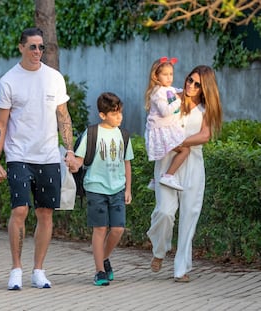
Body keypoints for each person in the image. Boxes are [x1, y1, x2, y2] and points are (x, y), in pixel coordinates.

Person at [0, 27, 77, 290]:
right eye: (33, 47)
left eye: (42, 47)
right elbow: (1, 124)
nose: (38, 52)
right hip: (19, 155)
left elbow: (63, 116)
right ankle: (16, 268)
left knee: (45, 212)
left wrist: (70, 150)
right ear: (21, 47)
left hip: (49, 155)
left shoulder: (54, 78)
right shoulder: (8, 81)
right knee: (20, 210)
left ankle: (38, 270)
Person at [147, 65, 223, 282]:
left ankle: (181, 269)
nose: (190, 85)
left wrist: (178, 142)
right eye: (190, 80)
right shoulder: (171, 96)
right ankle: (160, 250)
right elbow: (154, 120)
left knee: (189, 216)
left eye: (197, 84)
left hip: (192, 164)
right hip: (167, 162)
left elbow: (205, 136)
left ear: (204, 88)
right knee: (164, 212)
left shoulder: (206, 108)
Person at [74, 92, 134, 286]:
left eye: (120, 113)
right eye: (115, 114)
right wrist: (71, 163)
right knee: (100, 228)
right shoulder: (91, 133)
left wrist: (128, 189)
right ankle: (100, 271)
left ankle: (103, 258)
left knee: (118, 229)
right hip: (95, 187)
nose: (119, 117)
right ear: (102, 115)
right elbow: (79, 160)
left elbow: (127, 163)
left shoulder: (123, 135)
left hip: (117, 188)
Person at [144, 57, 190, 191]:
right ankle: (168, 176)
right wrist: (178, 100)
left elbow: (177, 91)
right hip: (161, 130)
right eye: (165, 74)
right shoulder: (157, 92)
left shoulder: (168, 89)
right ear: (156, 76)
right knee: (185, 149)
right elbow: (165, 111)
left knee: (163, 155)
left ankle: (155, 179)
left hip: (165, 128)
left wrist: (184, 93)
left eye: (171, 74)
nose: (169, 77)